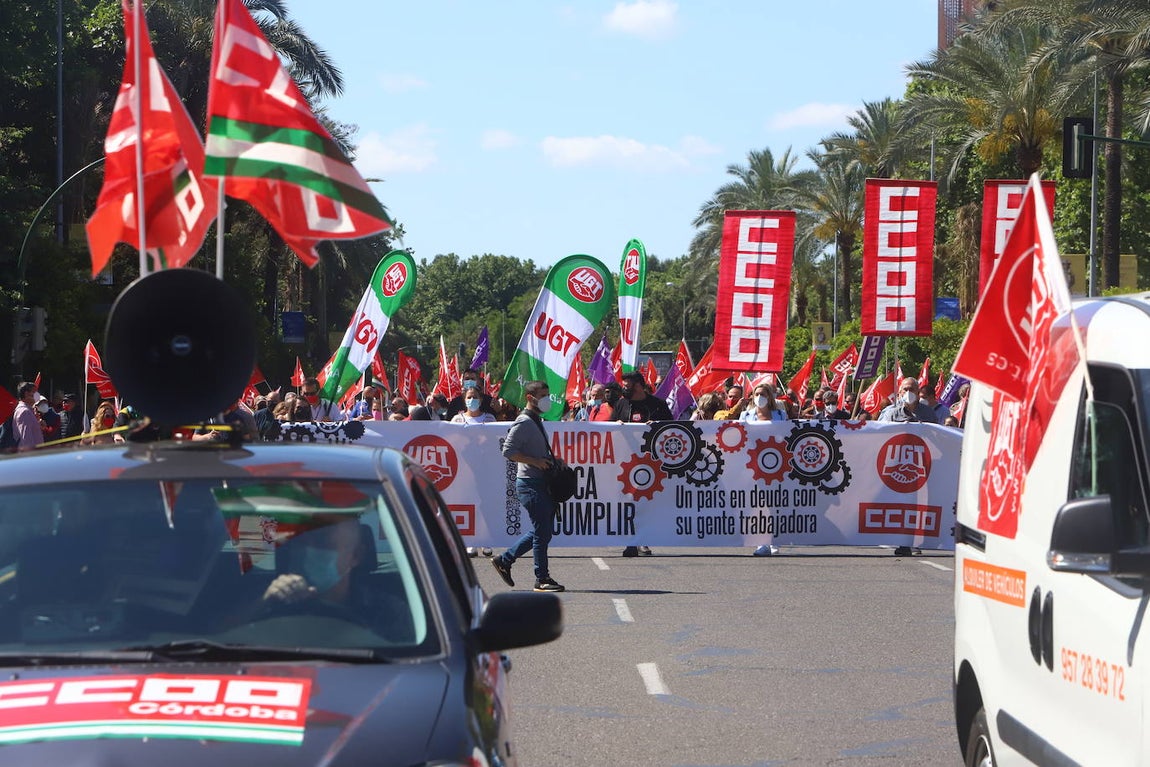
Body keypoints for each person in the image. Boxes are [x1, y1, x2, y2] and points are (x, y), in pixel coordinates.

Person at [490, 381, 565, 592]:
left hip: (540, 482)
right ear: (530, 398)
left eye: (548, 394)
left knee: (543, 531)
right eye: (543, 395)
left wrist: (551, 460)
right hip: (530, 484)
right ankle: (542, 578)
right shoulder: (523, 422)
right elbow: (508, 451)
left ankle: (505, 560)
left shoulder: (536, 420)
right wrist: (536, 462)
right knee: (542, 532)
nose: (547, 399)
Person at [613, 371, 672, 556]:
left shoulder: (658, 405)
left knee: (646, 502)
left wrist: (657, 425)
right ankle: (631, 541)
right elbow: (608, 426)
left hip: (651, 462)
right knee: (628, 502)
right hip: (626, 461)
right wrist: (617, 424)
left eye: (627, 385)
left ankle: (644, 540)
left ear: (638, 385)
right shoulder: (621, 404)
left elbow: (672, 427)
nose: (624, 389)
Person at [12, 382, 42, 452]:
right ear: (26, 394)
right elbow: (26, 439)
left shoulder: (28, 410)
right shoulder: (25, 412)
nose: (38, 395)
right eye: (35, 392)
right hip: (31, 457)